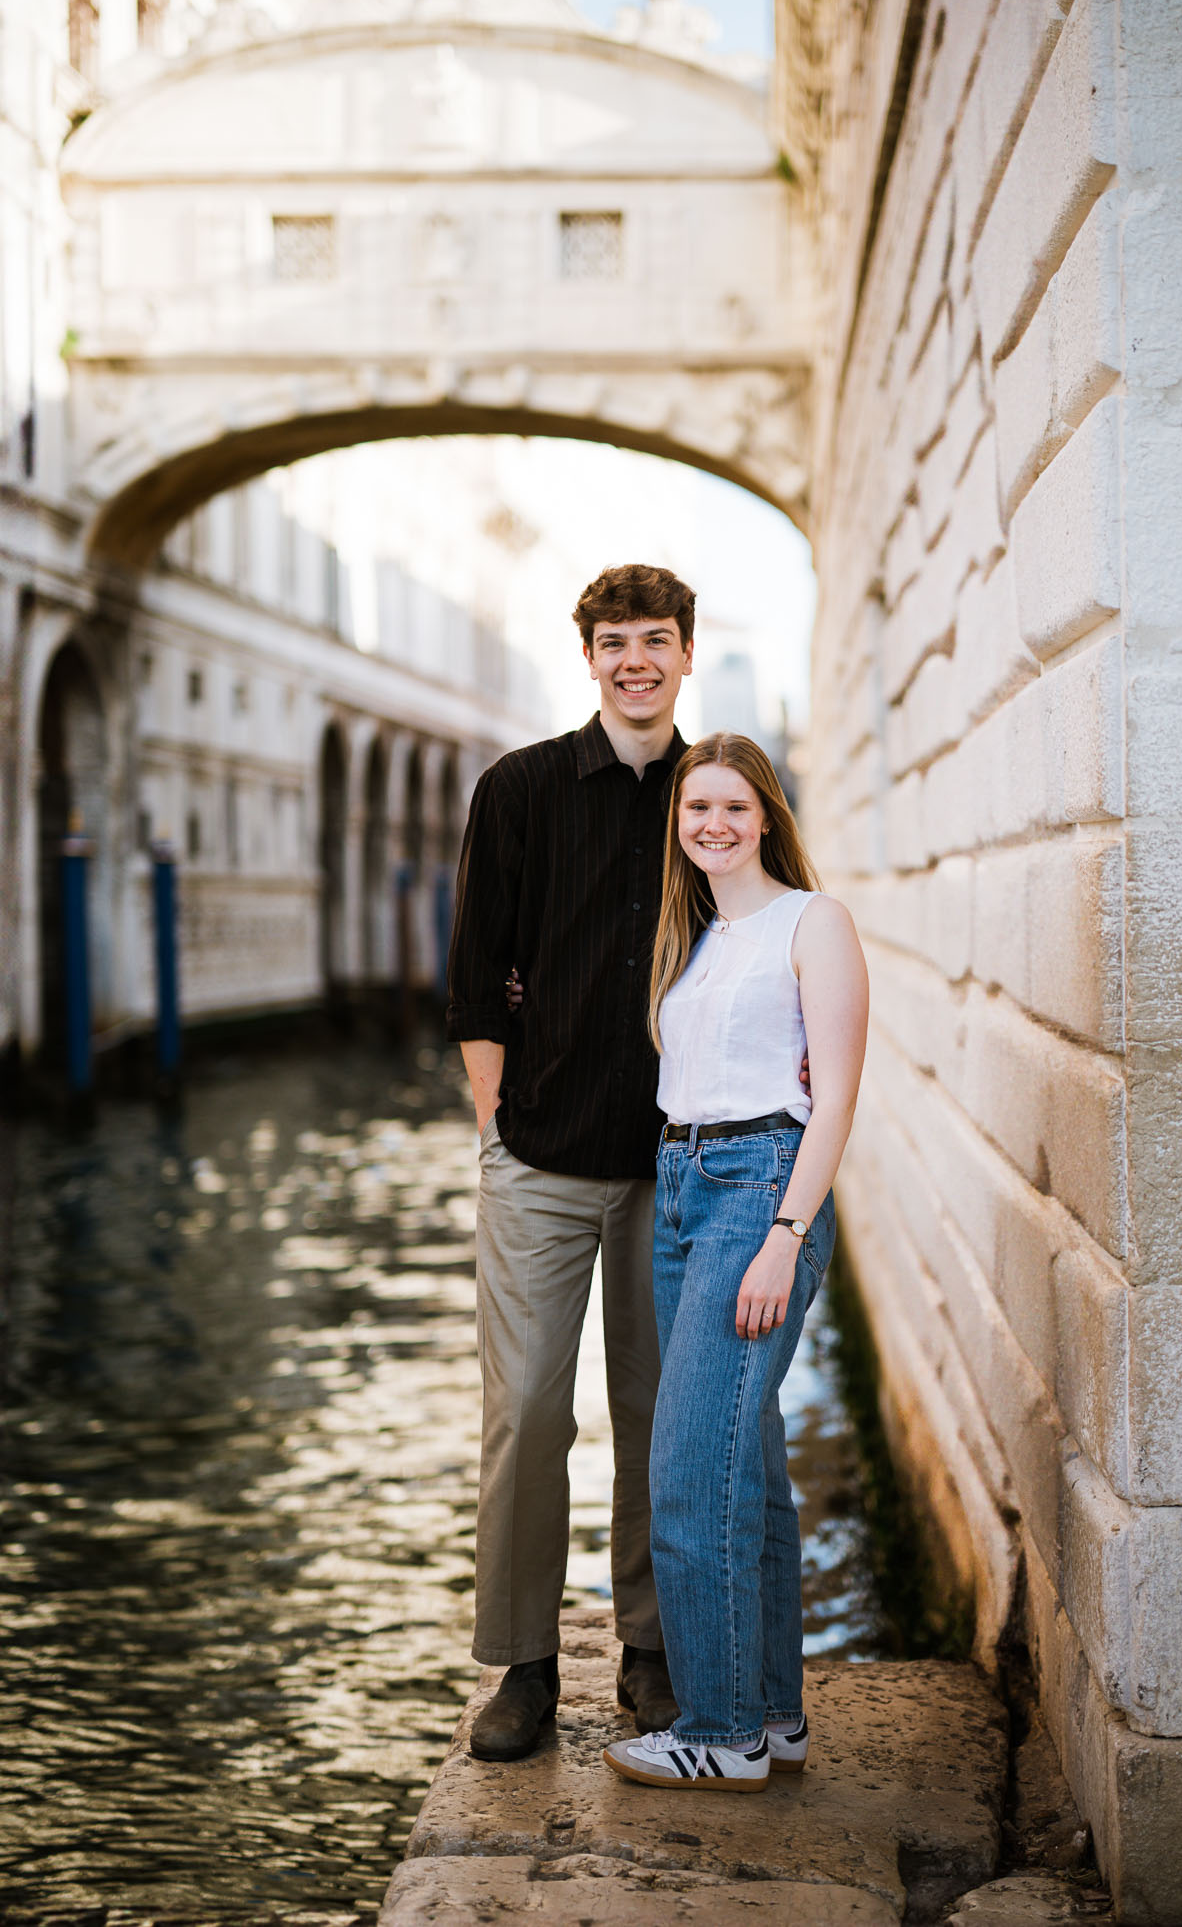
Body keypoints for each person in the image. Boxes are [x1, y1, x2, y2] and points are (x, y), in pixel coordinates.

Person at [445, 562, 696, 1760]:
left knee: (656, 1417)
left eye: (655, 638)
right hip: (538, 1158)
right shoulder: (520, 789)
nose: (634, 658)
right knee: (528, 1414)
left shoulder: (714, 796)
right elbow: (472, 971)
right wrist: (496, 1122)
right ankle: (526, 1667)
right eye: (613, 640)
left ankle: (647, 1649)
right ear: (586, 657)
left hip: (674, 1166)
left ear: (686, 656)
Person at [603, 732, 868, 1793]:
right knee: (743, 1465)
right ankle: (772, 1718)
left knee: (685, 1468)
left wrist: (785, 1236)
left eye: (731, 807)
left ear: (766, 815)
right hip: (680, 1187)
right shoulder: (697, 936)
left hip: (759, 1194)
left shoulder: (814, 923)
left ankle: (718, 1733)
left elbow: (836, 1097)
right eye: (693, 809)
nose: (710, 824)